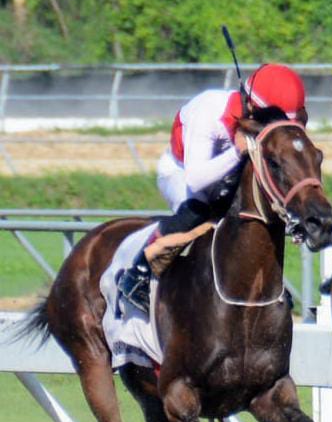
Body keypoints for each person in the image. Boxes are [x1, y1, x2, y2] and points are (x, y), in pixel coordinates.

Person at [117, 63, 308, 313]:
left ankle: (269, 285)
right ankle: (138, 272)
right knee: (198, 211)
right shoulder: (209, 112)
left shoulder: (266, 114)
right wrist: (238, 151)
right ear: (252, 107)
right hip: (180, 172)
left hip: (227, 176)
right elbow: (196, 180)